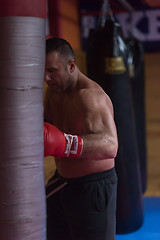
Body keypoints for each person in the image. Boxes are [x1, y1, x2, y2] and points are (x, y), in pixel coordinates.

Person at [44, 37, 118, 240]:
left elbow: (111, 146)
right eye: (43, 72)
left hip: (92, 188)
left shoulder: (91, 98)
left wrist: (65, 144)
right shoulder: (53, 92)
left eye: (51, 71)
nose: (46, 78)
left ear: (71, 65)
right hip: (63, 183)